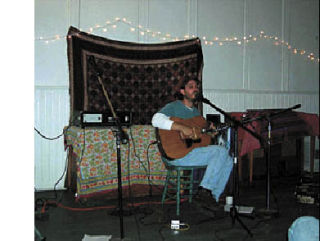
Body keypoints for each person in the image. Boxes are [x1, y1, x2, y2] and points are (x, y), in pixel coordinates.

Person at [151, 78, 233, 204]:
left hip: (191, 152)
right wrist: (182, 127)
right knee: (220, 152)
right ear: (182, 91)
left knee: (228, 159)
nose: (196, 89)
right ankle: (205, 190)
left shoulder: (196, 113)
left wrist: (212, 133)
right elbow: (155, 120)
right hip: (177, 154)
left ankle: (213, 198)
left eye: (197, 87)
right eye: (191, 86)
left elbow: (201, 137)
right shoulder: (174, 106)